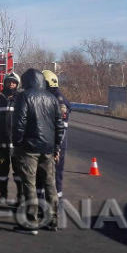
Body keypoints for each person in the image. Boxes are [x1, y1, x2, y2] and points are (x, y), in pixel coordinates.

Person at [12, 68, 65, 234]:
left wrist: (17, 143)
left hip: (29, 148)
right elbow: (59, 126)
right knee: (50, 185)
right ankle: (53, 220)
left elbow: (19, 123)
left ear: (27, 81)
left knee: (30, 185)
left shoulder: (24, 97)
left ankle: (32, 222)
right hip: (48, 149)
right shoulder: (52, 98)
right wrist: (56, 147)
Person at [0, 72, 21, 205]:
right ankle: (3, 195)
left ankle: (21, 197)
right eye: (9, 82)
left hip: (18, 145)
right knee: (2, 171)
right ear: (4, 83)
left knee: (19, 172)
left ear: (17, 84)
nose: (11, 84)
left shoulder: (21, 100)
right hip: (1, 143)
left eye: (14, 82)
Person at [42, 70, 71, 200]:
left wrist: (56, 148)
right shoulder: (50, 97)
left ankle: (56, 204)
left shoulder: (58, 101)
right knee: (46, 175)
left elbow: (61, 128)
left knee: (54, 176)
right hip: (50, 144)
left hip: (55, 146)